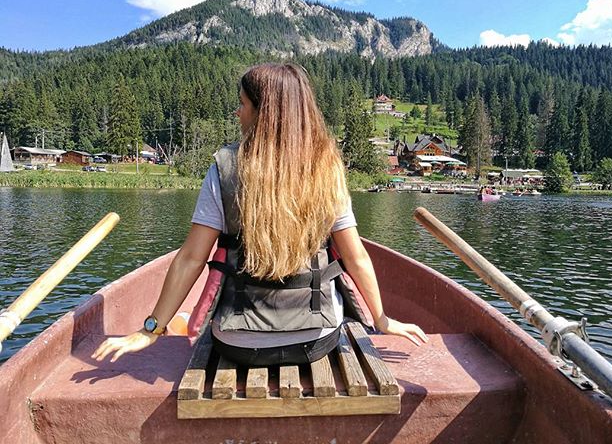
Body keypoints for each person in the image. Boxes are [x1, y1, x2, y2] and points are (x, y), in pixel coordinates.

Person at [92, 63, 427, 366]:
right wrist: (382, 319)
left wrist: (151, 328)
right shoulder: (327, 169)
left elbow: (192, 258)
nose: (237, 113)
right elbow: (356, 259)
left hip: (238, 345)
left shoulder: (224, 168)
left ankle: (176, 322)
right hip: (315, 340)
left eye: (242, 104)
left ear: (262, 113)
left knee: (190, 318)